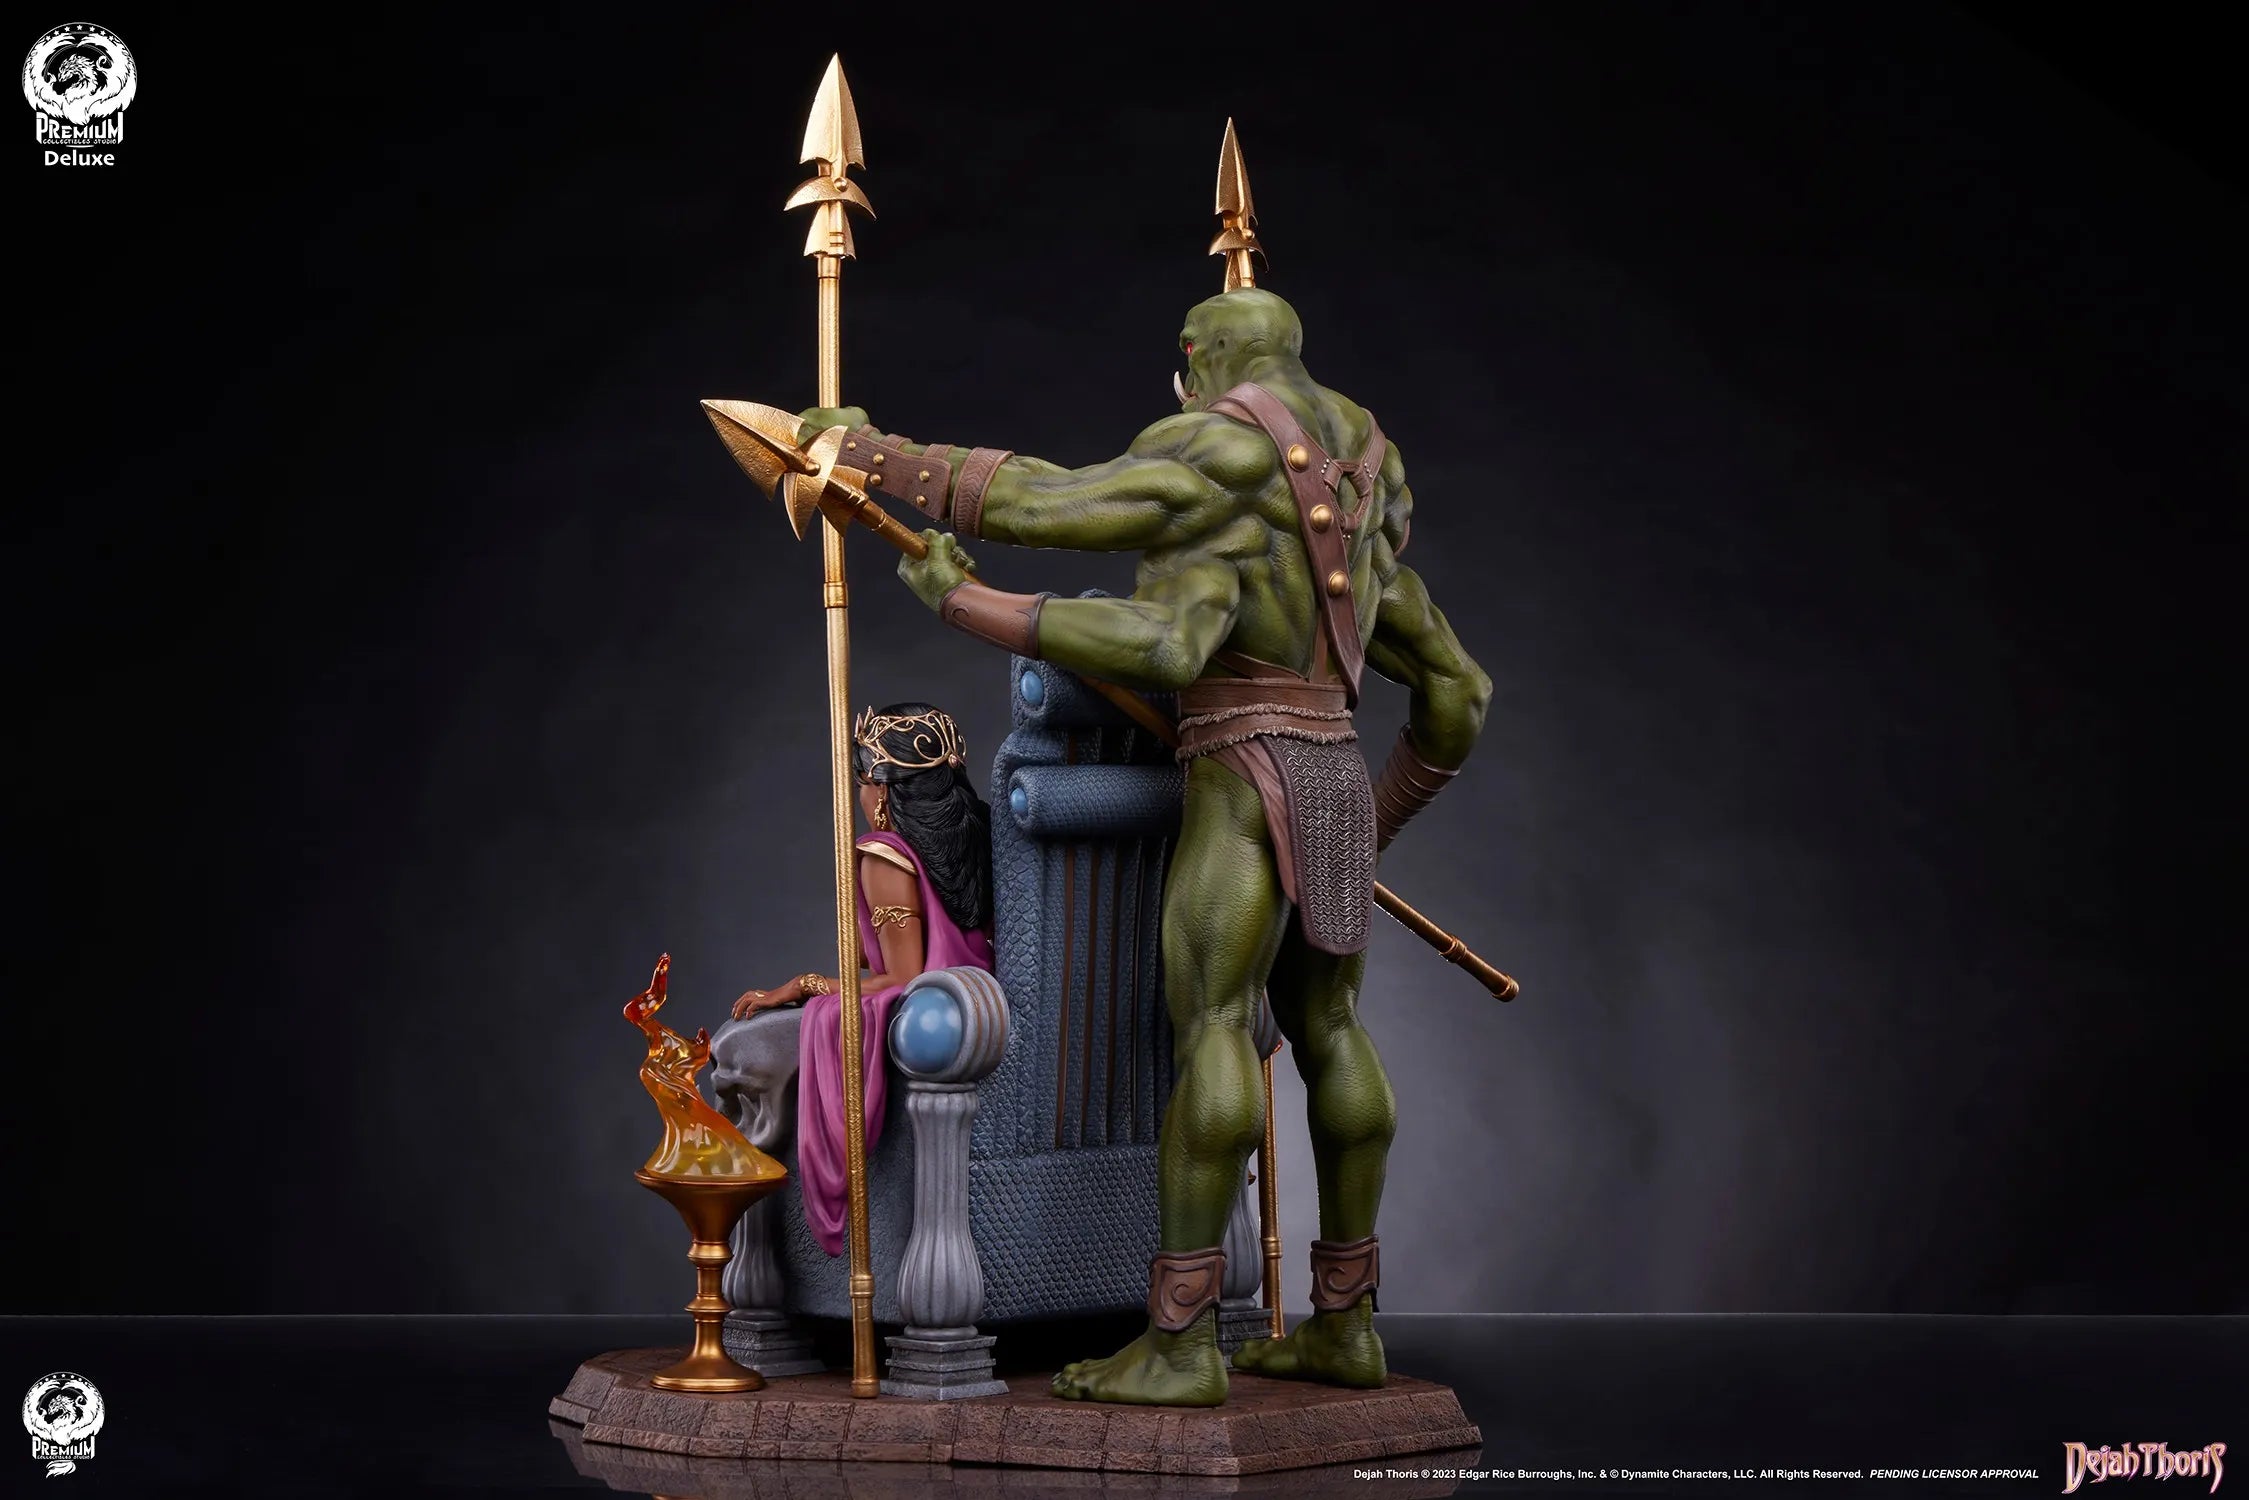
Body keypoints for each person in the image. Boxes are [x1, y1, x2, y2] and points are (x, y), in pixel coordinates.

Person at [795, 287, 1490, 1405]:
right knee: (1331, 1031)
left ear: (1199, 356)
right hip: (1331, 779)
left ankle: (1178, 1345)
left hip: (1241, 783)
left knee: (1214, 1030)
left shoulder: (1218, 451)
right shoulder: (1366, 479)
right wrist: (1371, 827)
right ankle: (1345, 1329)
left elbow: (1067, 535)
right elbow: (1457, 694)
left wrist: (880, 475)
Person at [731, 702, 995, 1254]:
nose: (860, 795)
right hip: (982, 1006)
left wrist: (803, 986)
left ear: (883, 791)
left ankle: (772, 1238)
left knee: (751, 1045)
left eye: (862, 783)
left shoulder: (885, 855)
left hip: (935, 1011)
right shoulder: (975, 834)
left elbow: (900, 977)